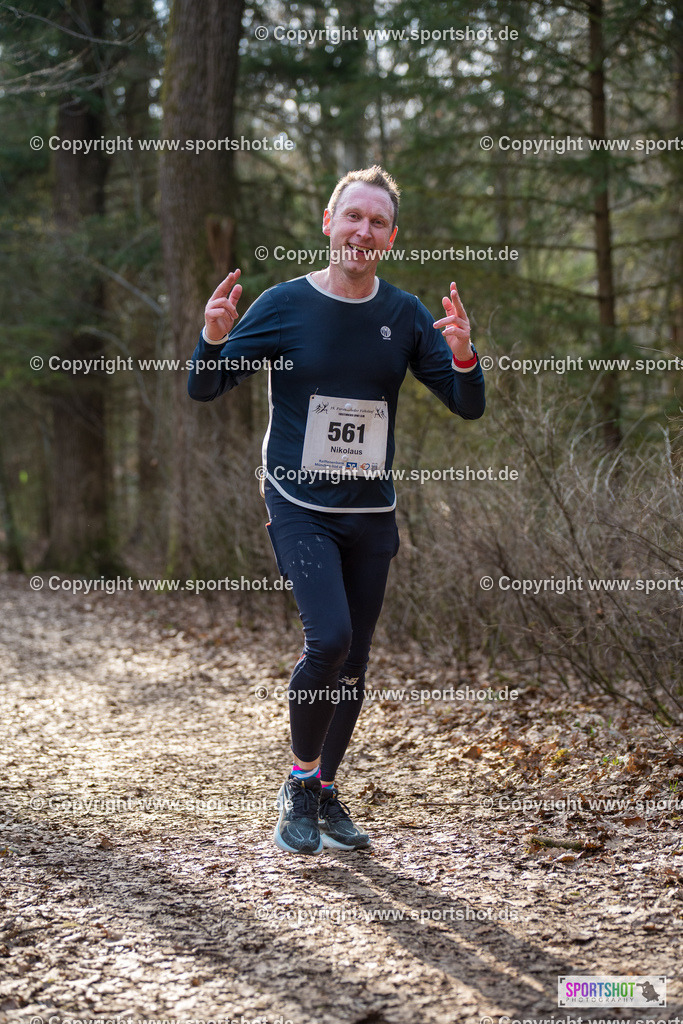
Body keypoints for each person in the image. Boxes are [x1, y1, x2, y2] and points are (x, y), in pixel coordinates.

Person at [188, 165, 485, 855]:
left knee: (354, 659)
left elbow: (466, 405)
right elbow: (207, 387)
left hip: (370, 509)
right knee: (327, 640)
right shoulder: (285, 304)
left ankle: (324, 791)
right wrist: (212, 334)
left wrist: (464, 356)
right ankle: (297, 782)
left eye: (376, 222)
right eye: (352, 217)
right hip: (296, 499)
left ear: (389, 236)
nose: (362, 231)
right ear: (328, 222)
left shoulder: (406, 314)